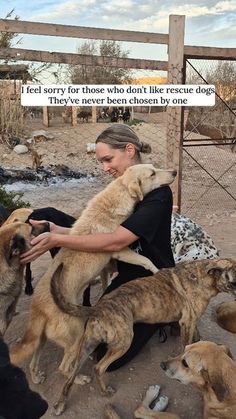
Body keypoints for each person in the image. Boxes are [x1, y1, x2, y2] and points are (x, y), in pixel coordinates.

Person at [20, 124, 175, 370]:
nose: (105, 168)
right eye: (101, 162)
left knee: (105, 352)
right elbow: (95, 233)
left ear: (129, 150)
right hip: (120, 261)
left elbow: (115, 241)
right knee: (49, 216)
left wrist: (58, 240)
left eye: (108, 159)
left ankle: (160, 316)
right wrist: (53, 230)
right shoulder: (121, 188)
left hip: (148, 273)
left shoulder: (158, 194)